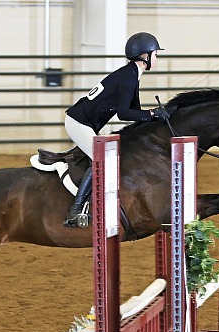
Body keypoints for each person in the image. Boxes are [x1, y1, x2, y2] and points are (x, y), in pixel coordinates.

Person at [63, 32, 171, 228]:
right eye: (155, 54)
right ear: (144, 56)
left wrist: (156, 119)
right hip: (77, 122)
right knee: (101, 159)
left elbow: (136, 112)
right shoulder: (129, 77)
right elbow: (124, 113)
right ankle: (75, 210)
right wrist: (154, 113)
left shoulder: (131, 74)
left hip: (86, 123)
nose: (157, 58)